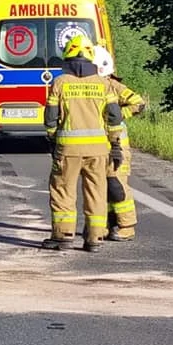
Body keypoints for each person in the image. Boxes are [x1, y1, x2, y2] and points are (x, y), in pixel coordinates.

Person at [41, 35, 124, 253]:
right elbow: (114, 117)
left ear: (67, 57)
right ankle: (95, 238)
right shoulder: (103, 84)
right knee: (97, 192)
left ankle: (63, 236)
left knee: (63, 191)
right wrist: (115, 143)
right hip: (98, 151)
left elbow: (50, 117)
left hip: (67, 150)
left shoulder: (60, 83)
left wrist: (52, 138)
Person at [93, 46, 146, 241]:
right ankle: (107, 225)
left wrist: (116, 116)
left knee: (117, 185)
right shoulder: (93, 84)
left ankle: (127, 225)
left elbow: (138, 103)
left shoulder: (113, 85)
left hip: (117, 145)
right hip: (100, 144)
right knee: (103, 185)